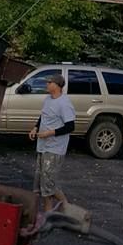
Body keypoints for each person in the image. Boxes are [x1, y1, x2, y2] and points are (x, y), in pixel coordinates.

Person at [29, 73, 75, 212]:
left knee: (49, 183)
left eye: (49, 82)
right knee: (43, 184)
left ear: (56, 85)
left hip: (55, 148)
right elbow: (43, 116)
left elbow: (70, 126)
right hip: (43, 146)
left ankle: (67, 207)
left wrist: (50, 132)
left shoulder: (64, 103)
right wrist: (35, 127)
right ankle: (48, 213)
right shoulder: (48, 99)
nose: (46, 85)